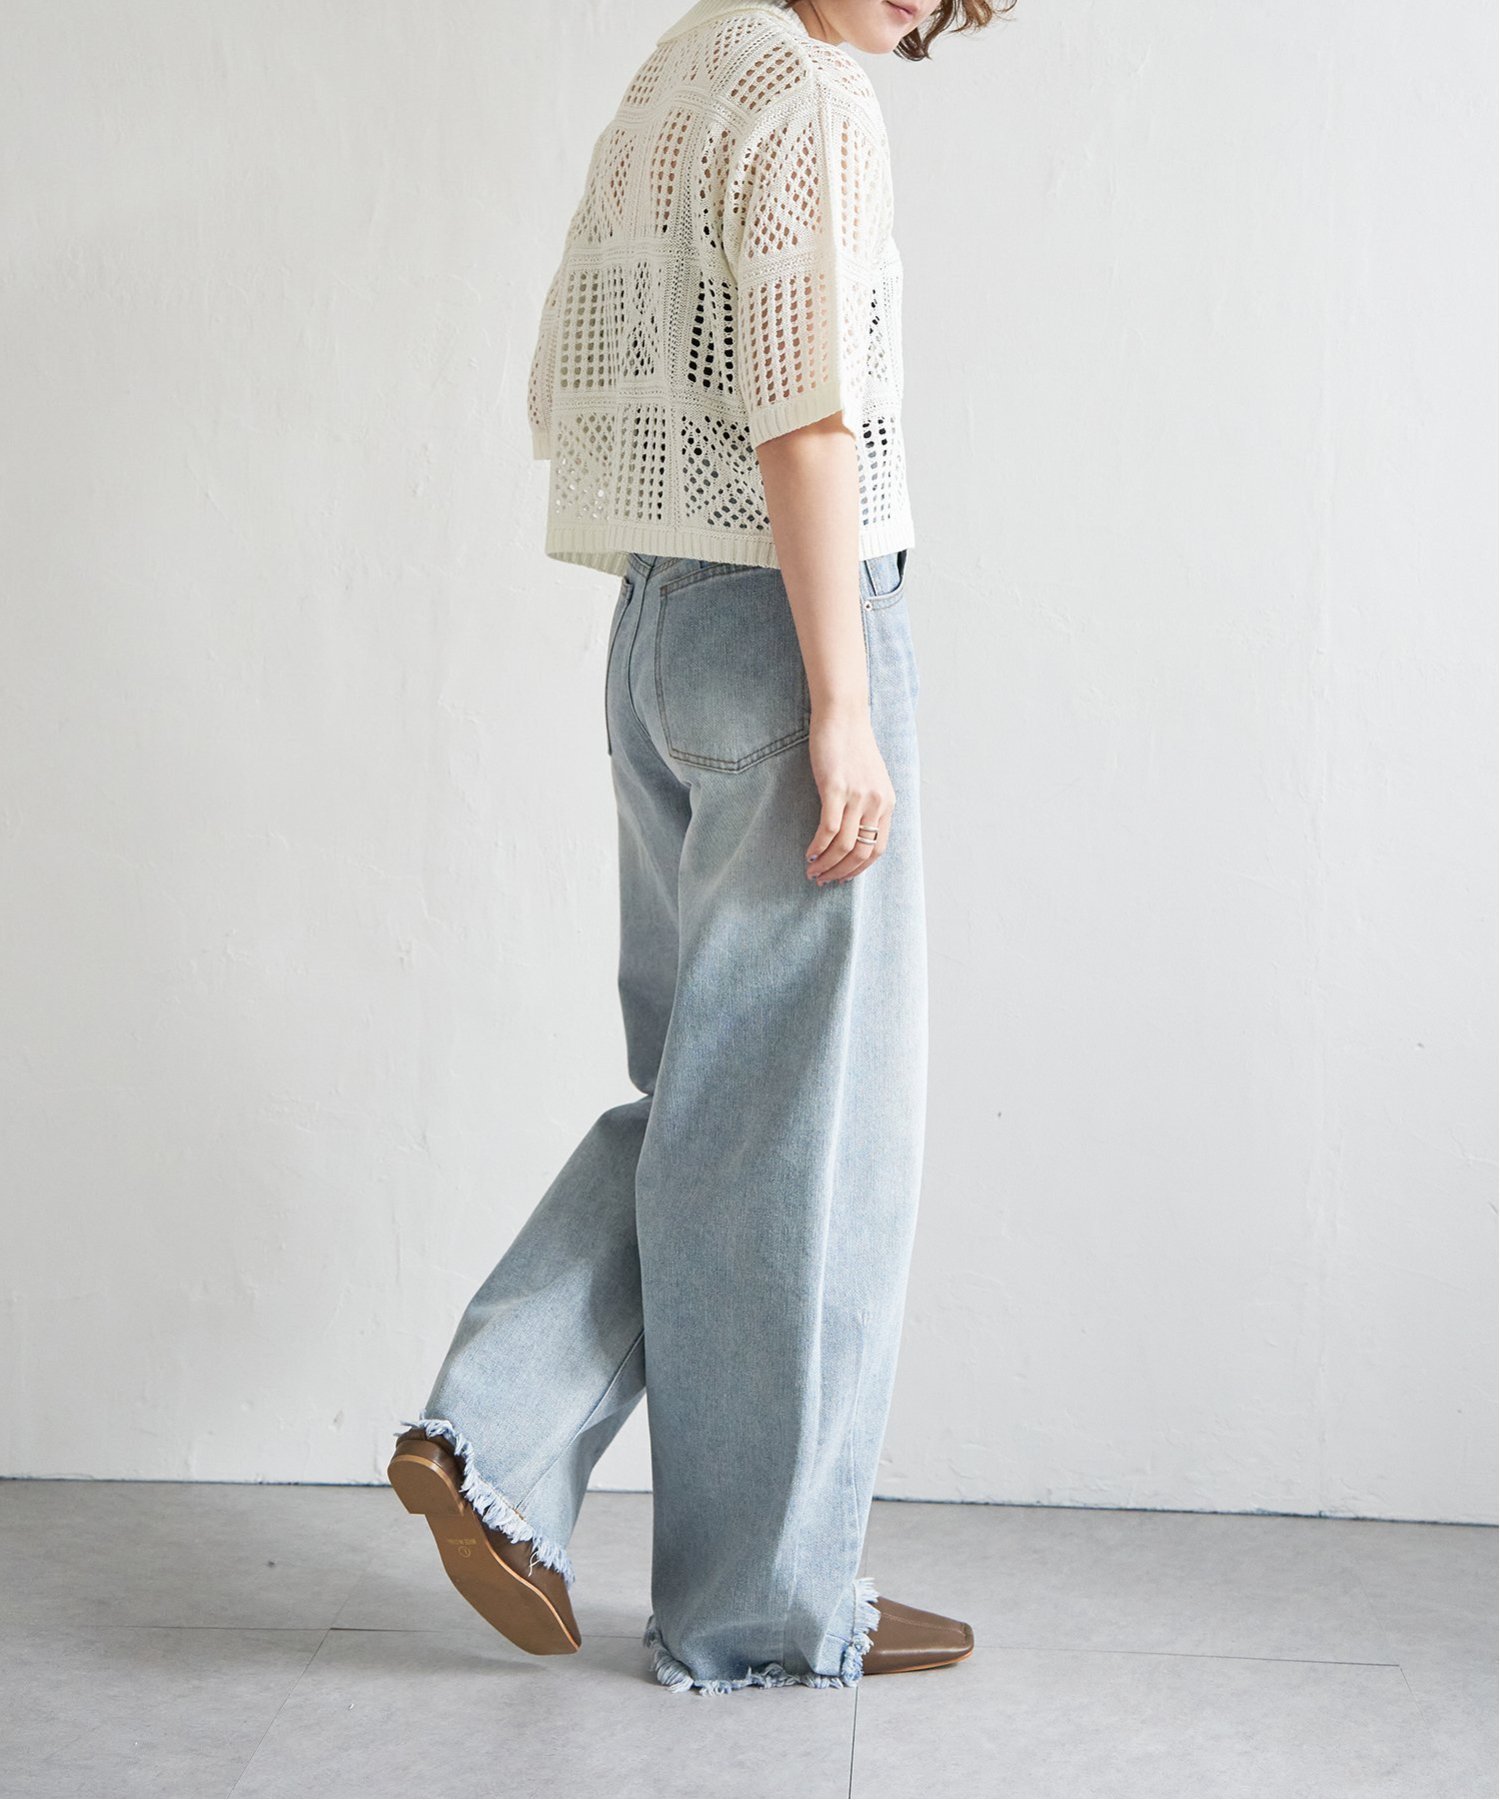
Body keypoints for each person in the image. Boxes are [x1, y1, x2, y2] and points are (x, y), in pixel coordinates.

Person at [388, 0, 1007, 1694]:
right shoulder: (807, 96)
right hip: (790, 634)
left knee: (711, 1106)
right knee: (808, 1134)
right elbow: (806, 417)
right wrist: (841, 704)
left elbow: (579, 374)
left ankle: (492, 1439)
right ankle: (758, 1609)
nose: (924, 11)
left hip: (659, 631)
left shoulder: (685, 64)